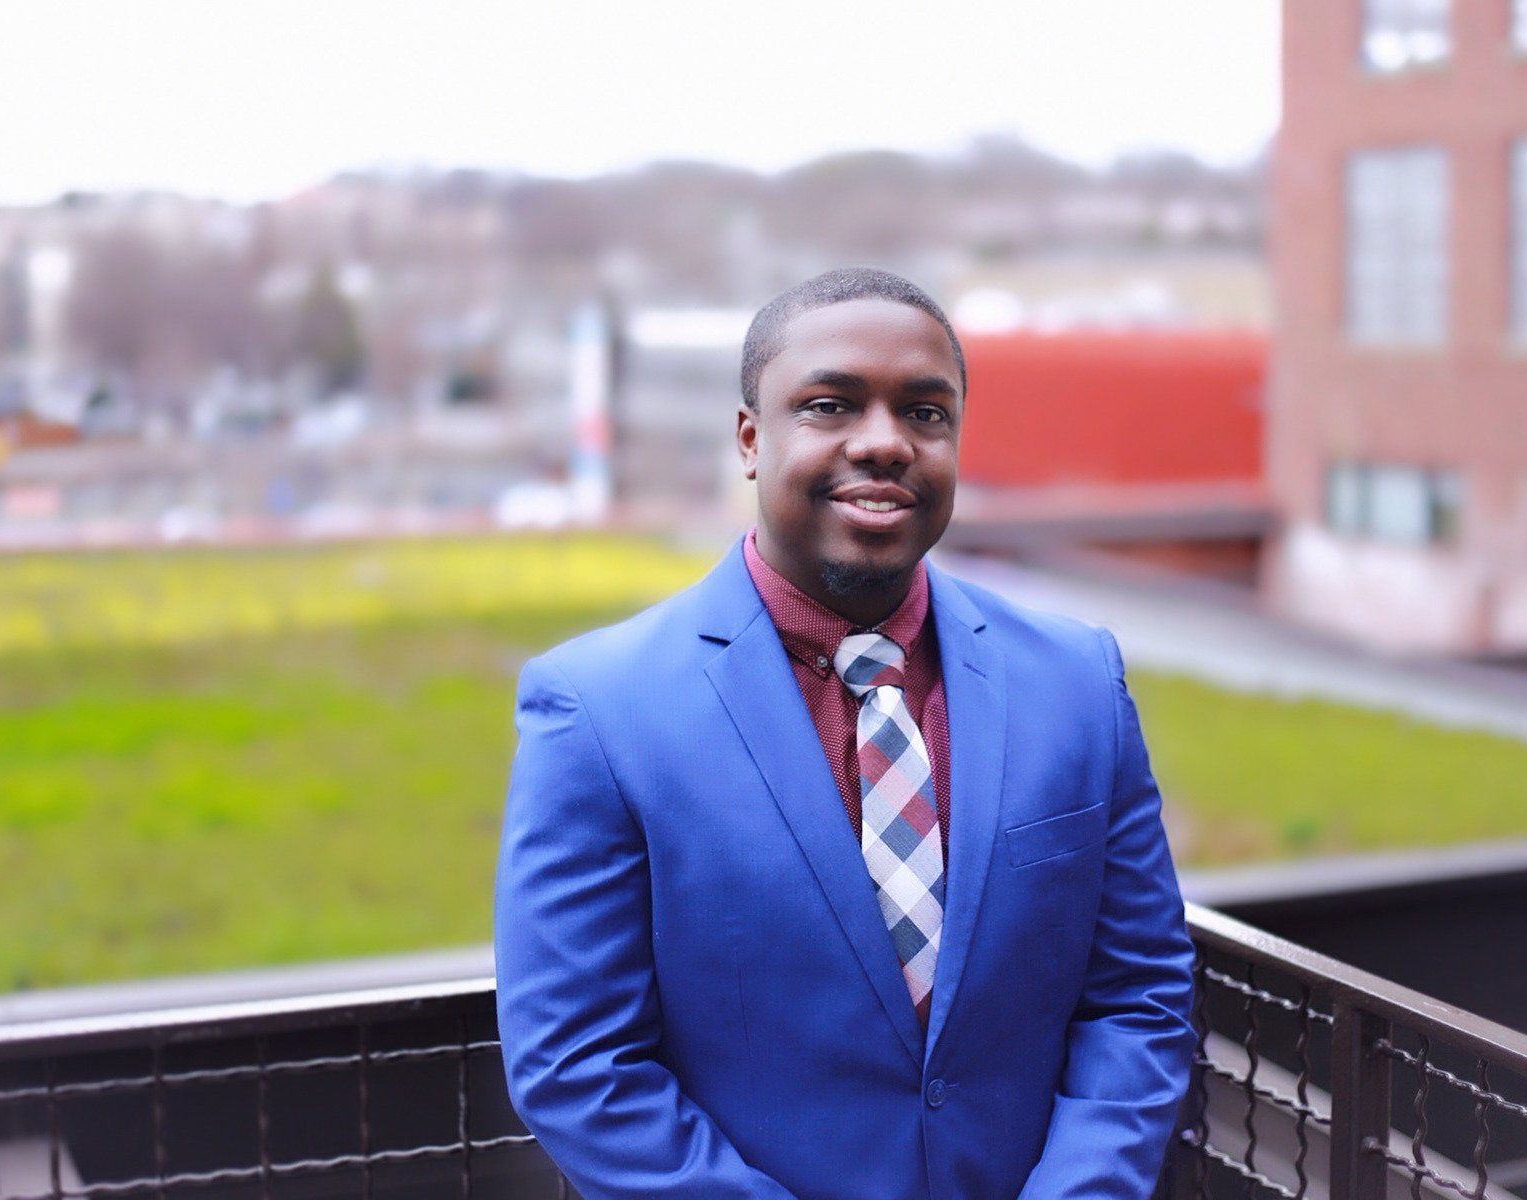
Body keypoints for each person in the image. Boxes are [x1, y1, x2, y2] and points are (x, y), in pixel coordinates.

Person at [495, 267, 1196, 1200]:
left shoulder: (1077, 683)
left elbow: (1139, 998)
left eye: (925, 413)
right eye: (830, 406)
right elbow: (578, 1065)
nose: (885, 442)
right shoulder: (597, 710)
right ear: (751, 439)